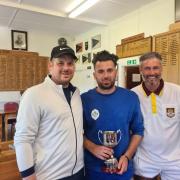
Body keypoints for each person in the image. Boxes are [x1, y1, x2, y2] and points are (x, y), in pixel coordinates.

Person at [14, 45, 84, 180]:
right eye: (60, 63)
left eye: (70, 63)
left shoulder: (76, 94)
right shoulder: (34, 94)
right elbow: (23, 139)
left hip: (79, 172)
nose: (66, 67)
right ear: (50, 66)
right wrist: (28, 176)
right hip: (51, 175)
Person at [81, 50, 144, 180]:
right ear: (94, 75)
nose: (105, 75)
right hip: (92, 170)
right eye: (101, 71)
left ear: (115, 72)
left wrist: (127, 156)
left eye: (109, 70)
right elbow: (74, 133)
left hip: (123, 170)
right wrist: (92, 147)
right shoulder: (83, 100)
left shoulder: (131, 98)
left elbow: (138, 131)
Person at [132, 52, 180, 180]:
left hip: (175, 160)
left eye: (156, 68)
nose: (152, 72)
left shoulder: (177, 92)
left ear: (161, 68)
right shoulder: (132, 95)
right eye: (147, 68)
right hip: (145, 160)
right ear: (140, 70)